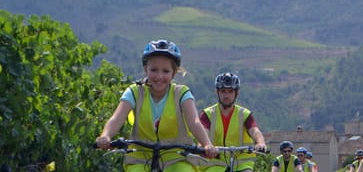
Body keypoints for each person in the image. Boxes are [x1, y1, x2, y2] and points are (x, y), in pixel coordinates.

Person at [96, 39, 218, 172]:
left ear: (174, 72)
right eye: (154, 70)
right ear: (145, 69)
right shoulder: (135, 92)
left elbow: (194, 122)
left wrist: (207, 145)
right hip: (140, 158)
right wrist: (106, 136)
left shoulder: (182, 93)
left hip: (178, 159)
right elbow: (117, 118)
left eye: (165, 71)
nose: (159, 76)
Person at [199, 72, 268, 172]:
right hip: (214, 165)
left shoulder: (244, 114)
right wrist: (205, 145)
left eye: (230, 91)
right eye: (223, 91)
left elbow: (255, 130)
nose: (226, 95)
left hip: (241, 164)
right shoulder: (207, 114)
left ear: (237, 93)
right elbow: (203, 133)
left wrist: (260, 143)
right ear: (217, 92)